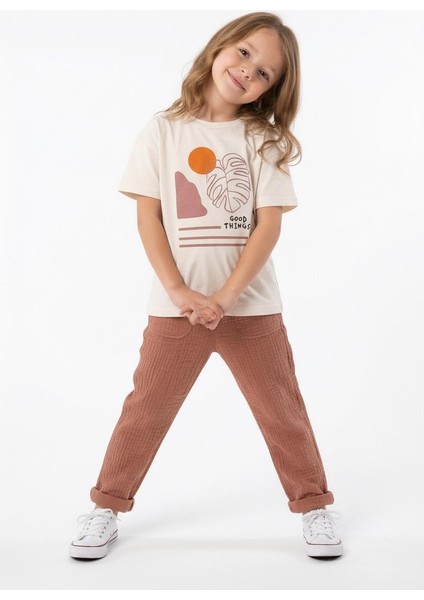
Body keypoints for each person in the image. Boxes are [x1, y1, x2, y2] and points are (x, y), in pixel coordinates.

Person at [69, 11, 343, 561]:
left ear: (270, 90)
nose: (248, 71)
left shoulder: (262, 139)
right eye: (244, 53)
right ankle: (107, 507)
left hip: (251, 310)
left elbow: (268, 225)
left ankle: (314, 505)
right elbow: (148, 216)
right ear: (220, 47)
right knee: (146, 409)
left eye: (264, 73)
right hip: (177, 310)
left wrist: (226, 297)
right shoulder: (163, 131)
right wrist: (179, 292)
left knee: (282, 410)